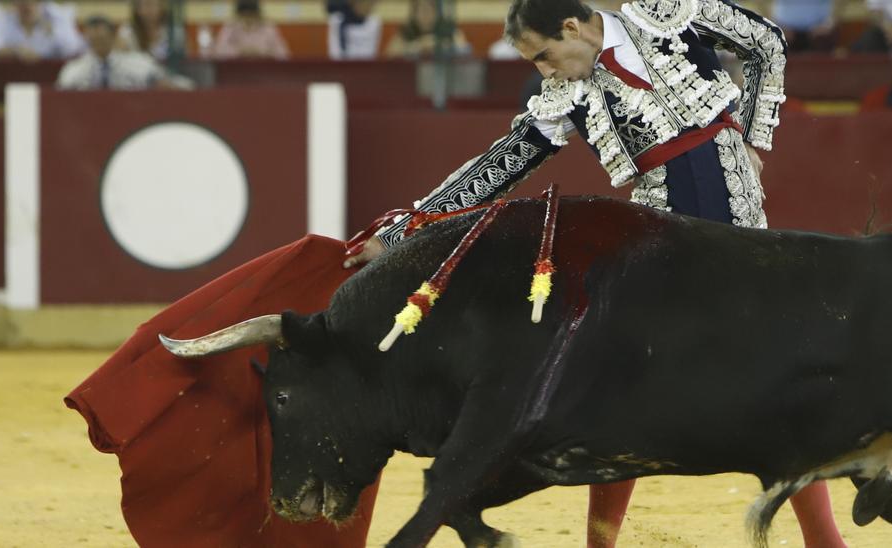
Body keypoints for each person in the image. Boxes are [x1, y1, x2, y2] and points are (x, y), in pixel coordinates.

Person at [343, 1, 847, 547]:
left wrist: (754, 136)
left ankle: (825, 540)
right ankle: (600, 543)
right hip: (663, 227)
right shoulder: (566, 94)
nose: (545, 71)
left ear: (572, 27)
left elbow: (766, 41)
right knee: (629, 381)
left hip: (738, 209)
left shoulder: (666, 12)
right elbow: (501, 164)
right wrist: (404, 229)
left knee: (773, 372)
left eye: (545, 56)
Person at [57, 15, 192, 90]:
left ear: (113, 37)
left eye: (102, 39)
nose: (99, 44)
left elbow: (171, 83)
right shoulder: (74, 70)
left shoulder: (138, 63)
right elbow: (61, 96)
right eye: (94, 40)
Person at [0, 0, 85, 61]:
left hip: (51, 79)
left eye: (30, 3)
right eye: (21, 4)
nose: (26, 7)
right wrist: (16, 51)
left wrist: (53, 33)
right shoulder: (5, 18)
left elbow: (74, 49)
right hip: (15, 78)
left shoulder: (57, 16)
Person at [385, 0, 472, 59]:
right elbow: (390, 55)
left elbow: (465, 51)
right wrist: (418, 46)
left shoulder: (449, 30)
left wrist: (439, 45)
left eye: (429, 10)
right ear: (414, 13)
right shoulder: (406, 31)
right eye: (421, 10)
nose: (425, 15)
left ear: (437, 13)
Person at [211, 0, 290, 60]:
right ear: (238, 15)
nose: (248, 19)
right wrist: (240, 52)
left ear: (258, 14)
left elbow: (283, 54)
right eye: (244, 15)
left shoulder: (268, 27)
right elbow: (218, 51)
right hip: (236, 71)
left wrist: (262, 52)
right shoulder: (230, 27)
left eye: (251, 15)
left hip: (265, 71)